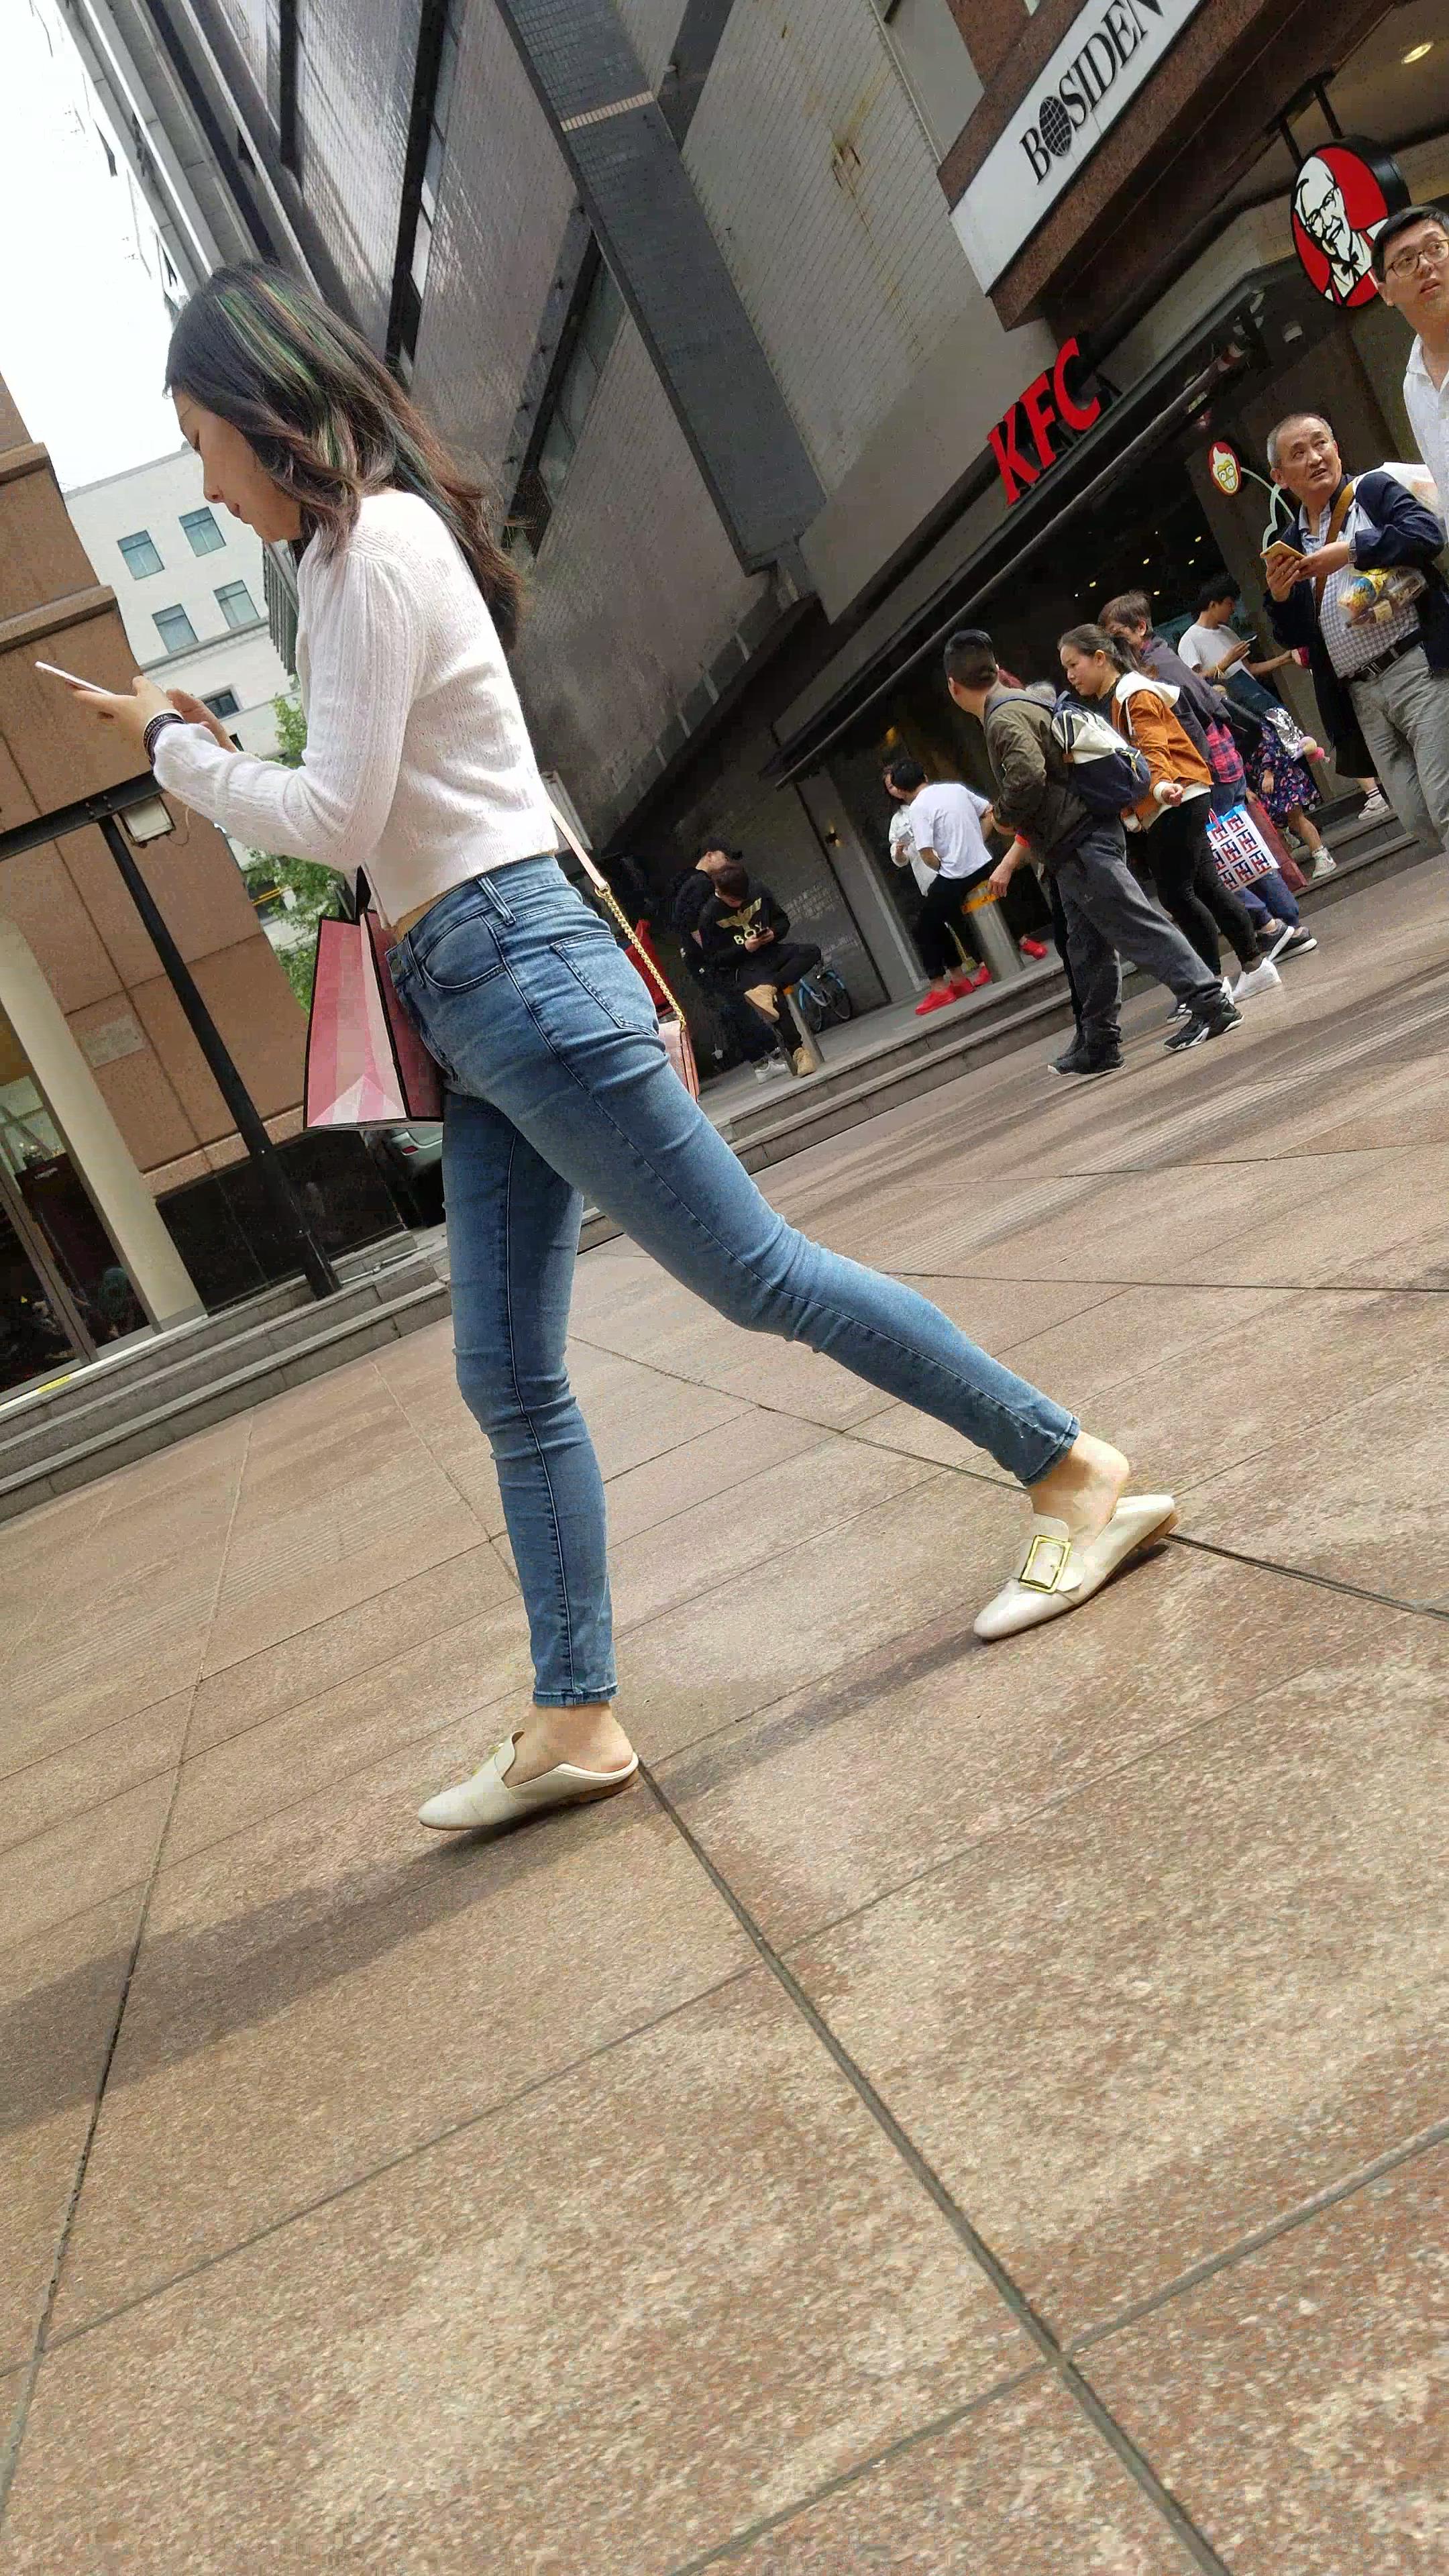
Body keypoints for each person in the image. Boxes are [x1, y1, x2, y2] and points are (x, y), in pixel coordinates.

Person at [64, 266, 1179, 1816]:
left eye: (201, 441)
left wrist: (174, 756)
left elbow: (337, 817)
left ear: (267, 413)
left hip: (509, 963)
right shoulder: (335, 563)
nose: (202, 479)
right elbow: (404, 798)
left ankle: (1069, 1469)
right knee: (506, 1370)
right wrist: (211, 744)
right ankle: (576, 1713)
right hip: (476, 989)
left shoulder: (374, 547)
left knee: (757, 1276)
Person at [945, 627, 1237, 1071]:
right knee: (1087, 948)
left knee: (1135, 924)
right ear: (994, 669)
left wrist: (1002, 817)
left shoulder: (1003, 717)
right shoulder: (1023, 701)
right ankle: (1099, 1043)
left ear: (954, 687)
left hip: (1078, 839)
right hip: (1079, 837)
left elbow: (1027, 774)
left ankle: (1210, 1003)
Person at [1063, 625, 1279, 1006]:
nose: (1069, 675)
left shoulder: (1132, 693)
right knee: (1203, 888)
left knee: (1178, 895)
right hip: (1178, 796)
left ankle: (1214, 983)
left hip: (1176, 798)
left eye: (1073, 664)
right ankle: (1247, 968)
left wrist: (1161, 786)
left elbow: (1153, 748)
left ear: (1099, 658)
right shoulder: (1119, 696)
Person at [1265, 410, 1449, 854]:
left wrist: (1351, 550)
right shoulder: (1288, 544)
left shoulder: (1371, 491)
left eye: (1320, 443)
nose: (1315, 457)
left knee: (1445, 806)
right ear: (1280, 477)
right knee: (1416, 816)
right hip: (1362, 695)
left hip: (1420, 667)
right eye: (1298, 453)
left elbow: (1428, 534)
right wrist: (1281, 598)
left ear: (1336, 447)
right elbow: (1300, 637)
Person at [1178, 578, 1332, 877]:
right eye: (1228, 603)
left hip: (1261, 708)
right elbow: (1195, 685)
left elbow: (1250, 670)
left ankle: (1299, 833)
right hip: (1238, 718)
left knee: (1285, 769)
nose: (1231, 609)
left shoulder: (1227, 632)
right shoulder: (1190, 640)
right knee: (1264, 780)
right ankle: (1296, 839)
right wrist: (1224, 663)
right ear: (1214, 603)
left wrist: (1284, 659)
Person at [881, 757, 993, 1014]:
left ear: (901, 790)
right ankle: (959, 979)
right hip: (983, 864)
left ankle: (940, 988)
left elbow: (926, 853)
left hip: (956, 875)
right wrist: (977, 843)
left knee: (922, 927)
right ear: (925, 776)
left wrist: (944, 868)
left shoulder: (918, 808)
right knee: (935, 919)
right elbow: (990, 812)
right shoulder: (955, 788)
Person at [696, 861, 820, 1075]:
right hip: (745, 966)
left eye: (742, 899)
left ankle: (769, 987)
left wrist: (774, 933)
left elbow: (782, 921)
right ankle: (798, 1052)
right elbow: (714, 959)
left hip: (772, 952)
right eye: (733, 901)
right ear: (720, 892)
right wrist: (744, 948)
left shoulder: (758, 890)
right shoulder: (709, 914)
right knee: (775, 1003)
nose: (739, 904)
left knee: (811, 952)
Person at [672, 842, 777, 1072]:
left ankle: (761, 1063)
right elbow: (693, 924)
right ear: (710, 856)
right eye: (725, 858)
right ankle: (769, 1053)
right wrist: (714, 951)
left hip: (701, 960)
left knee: (736, 1004)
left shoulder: (690, 883)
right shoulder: (701, 884)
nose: (727, 865)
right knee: (739, 1003)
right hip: (706, 960)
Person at [1376, 202, 1449, 514]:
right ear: (1385, 293)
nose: (1425, 265)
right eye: (1406, 261)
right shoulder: (1413, 384)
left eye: (1435, 248)